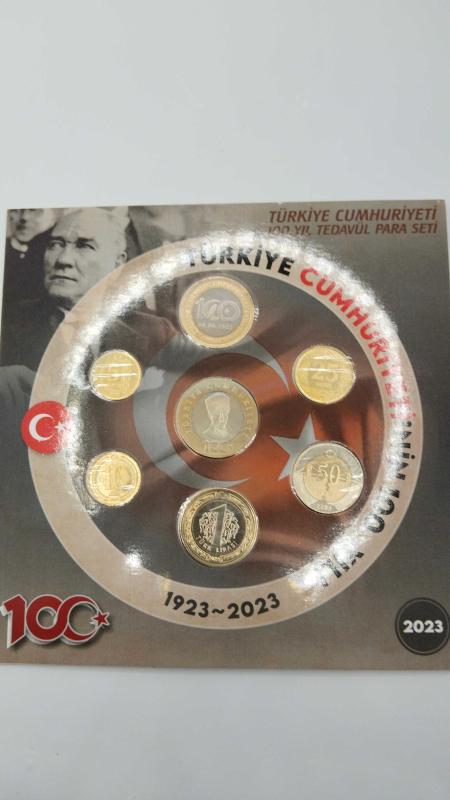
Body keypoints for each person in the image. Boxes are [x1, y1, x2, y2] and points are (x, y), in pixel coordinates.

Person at [1, 207, 129, 371]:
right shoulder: (7, 324)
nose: (63, 259)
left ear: (118, 265)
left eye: (84, 246)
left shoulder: (145, 336)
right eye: (55, 245)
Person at [3, 208, 60, 304]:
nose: (24, 217)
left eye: (33, 210)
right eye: (16, 210)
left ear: (53, 216)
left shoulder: (58, 255)